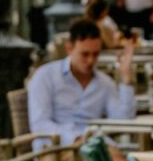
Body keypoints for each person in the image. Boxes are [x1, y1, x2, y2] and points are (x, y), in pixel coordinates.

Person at [27, 19, 136, 150]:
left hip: (93, 147)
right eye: (85, 54)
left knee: (116, 156)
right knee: (111, 157)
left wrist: (126, 77)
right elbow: (40, 124)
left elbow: (123, 121)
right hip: (55, 149)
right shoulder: (45, 76)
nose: (90, 60)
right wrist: (76, 138)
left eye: (96, 54)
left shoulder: (104, 82)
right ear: (69, 48)